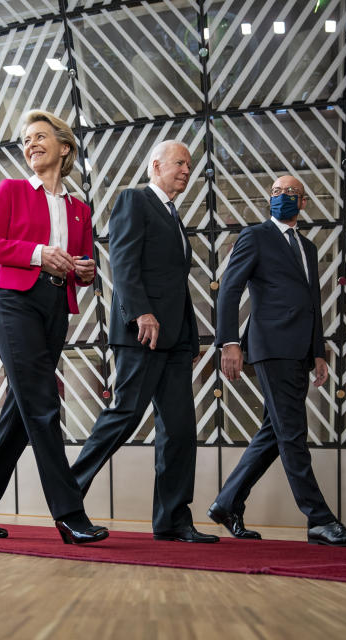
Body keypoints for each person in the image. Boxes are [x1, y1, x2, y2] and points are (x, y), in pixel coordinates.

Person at [0, 110, 108, 545]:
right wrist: (40, 253)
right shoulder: (13, 190)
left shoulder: (79, 209)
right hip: (13, 300)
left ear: (64, 146)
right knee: (43, 404)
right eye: (25, 140)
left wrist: (85, 270)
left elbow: (78, 265)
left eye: (40, 136)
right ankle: (69, 513)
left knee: (20, 415)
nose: (30, 144)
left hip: (54, 305)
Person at [209, 175, 346, 547]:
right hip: (271, 347)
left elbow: (313, 301)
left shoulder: (308, 248)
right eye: (276, 192)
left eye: (290, 193)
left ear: (304, 203)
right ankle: (319, 519)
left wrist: (318, 351)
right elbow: (230, 289)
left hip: (300, 350)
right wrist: (229, 342)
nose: (281, 197)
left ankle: (226, 503)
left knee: (275, 431)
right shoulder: (255, 236)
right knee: (293, 433)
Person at [70, 141, 218, 543]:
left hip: (173, 342)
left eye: (190, 164)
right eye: (180, 163)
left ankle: (173, 519)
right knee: (125, 415)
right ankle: (66, 495)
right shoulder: (134, 201)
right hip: (141, 333)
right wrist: (141, 313)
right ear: (156, 165)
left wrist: (189, 337)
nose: (188, 169)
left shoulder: (172, 214)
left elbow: (177, 287)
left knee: (181, 429)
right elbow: (122, 260)